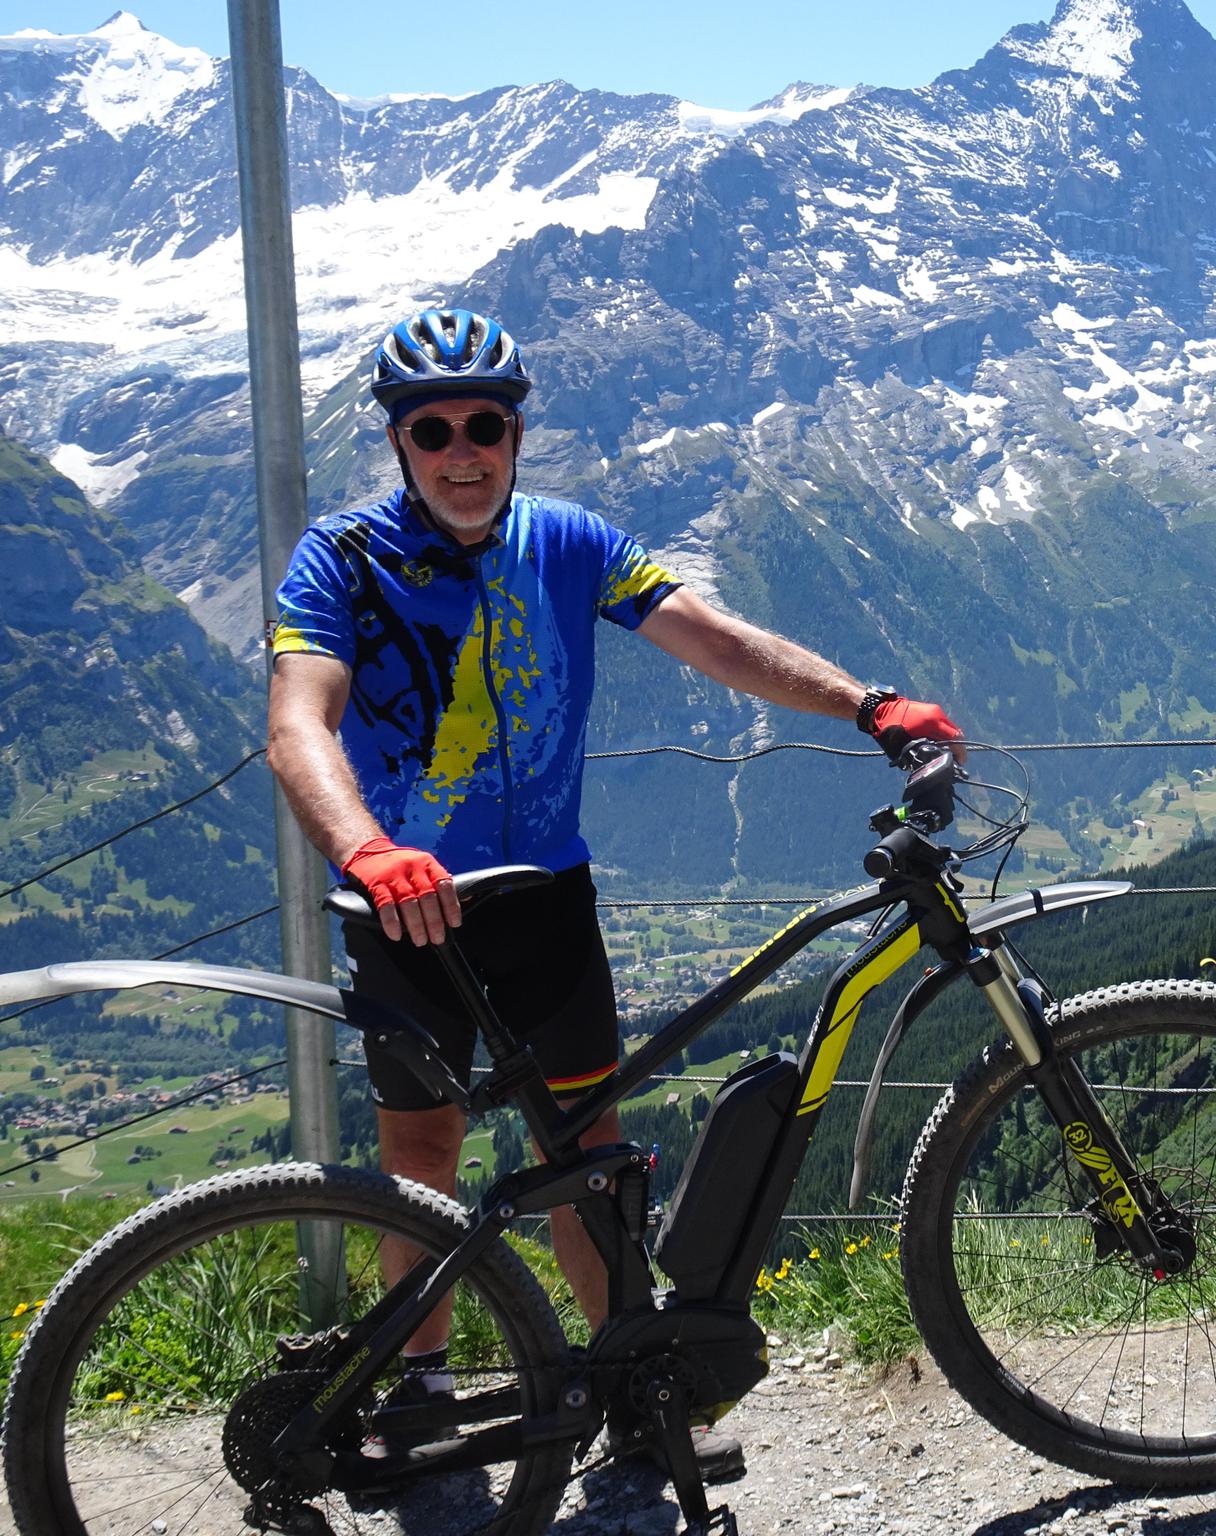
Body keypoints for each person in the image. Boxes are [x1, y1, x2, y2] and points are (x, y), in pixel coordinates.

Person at [266, 307, 963, 1478]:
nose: (460, 452)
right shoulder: (339, 559)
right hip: (407, 905)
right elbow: (299, 723)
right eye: (432, 430)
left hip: (545, 901)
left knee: (588, 1151)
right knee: (421, 1154)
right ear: (397, 441)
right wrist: (368, 851)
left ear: (515, 431)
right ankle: (419, 1387)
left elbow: (717, 642)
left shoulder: (569, 541)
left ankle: (631, 1389)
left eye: (483, 425)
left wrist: (868, 705)